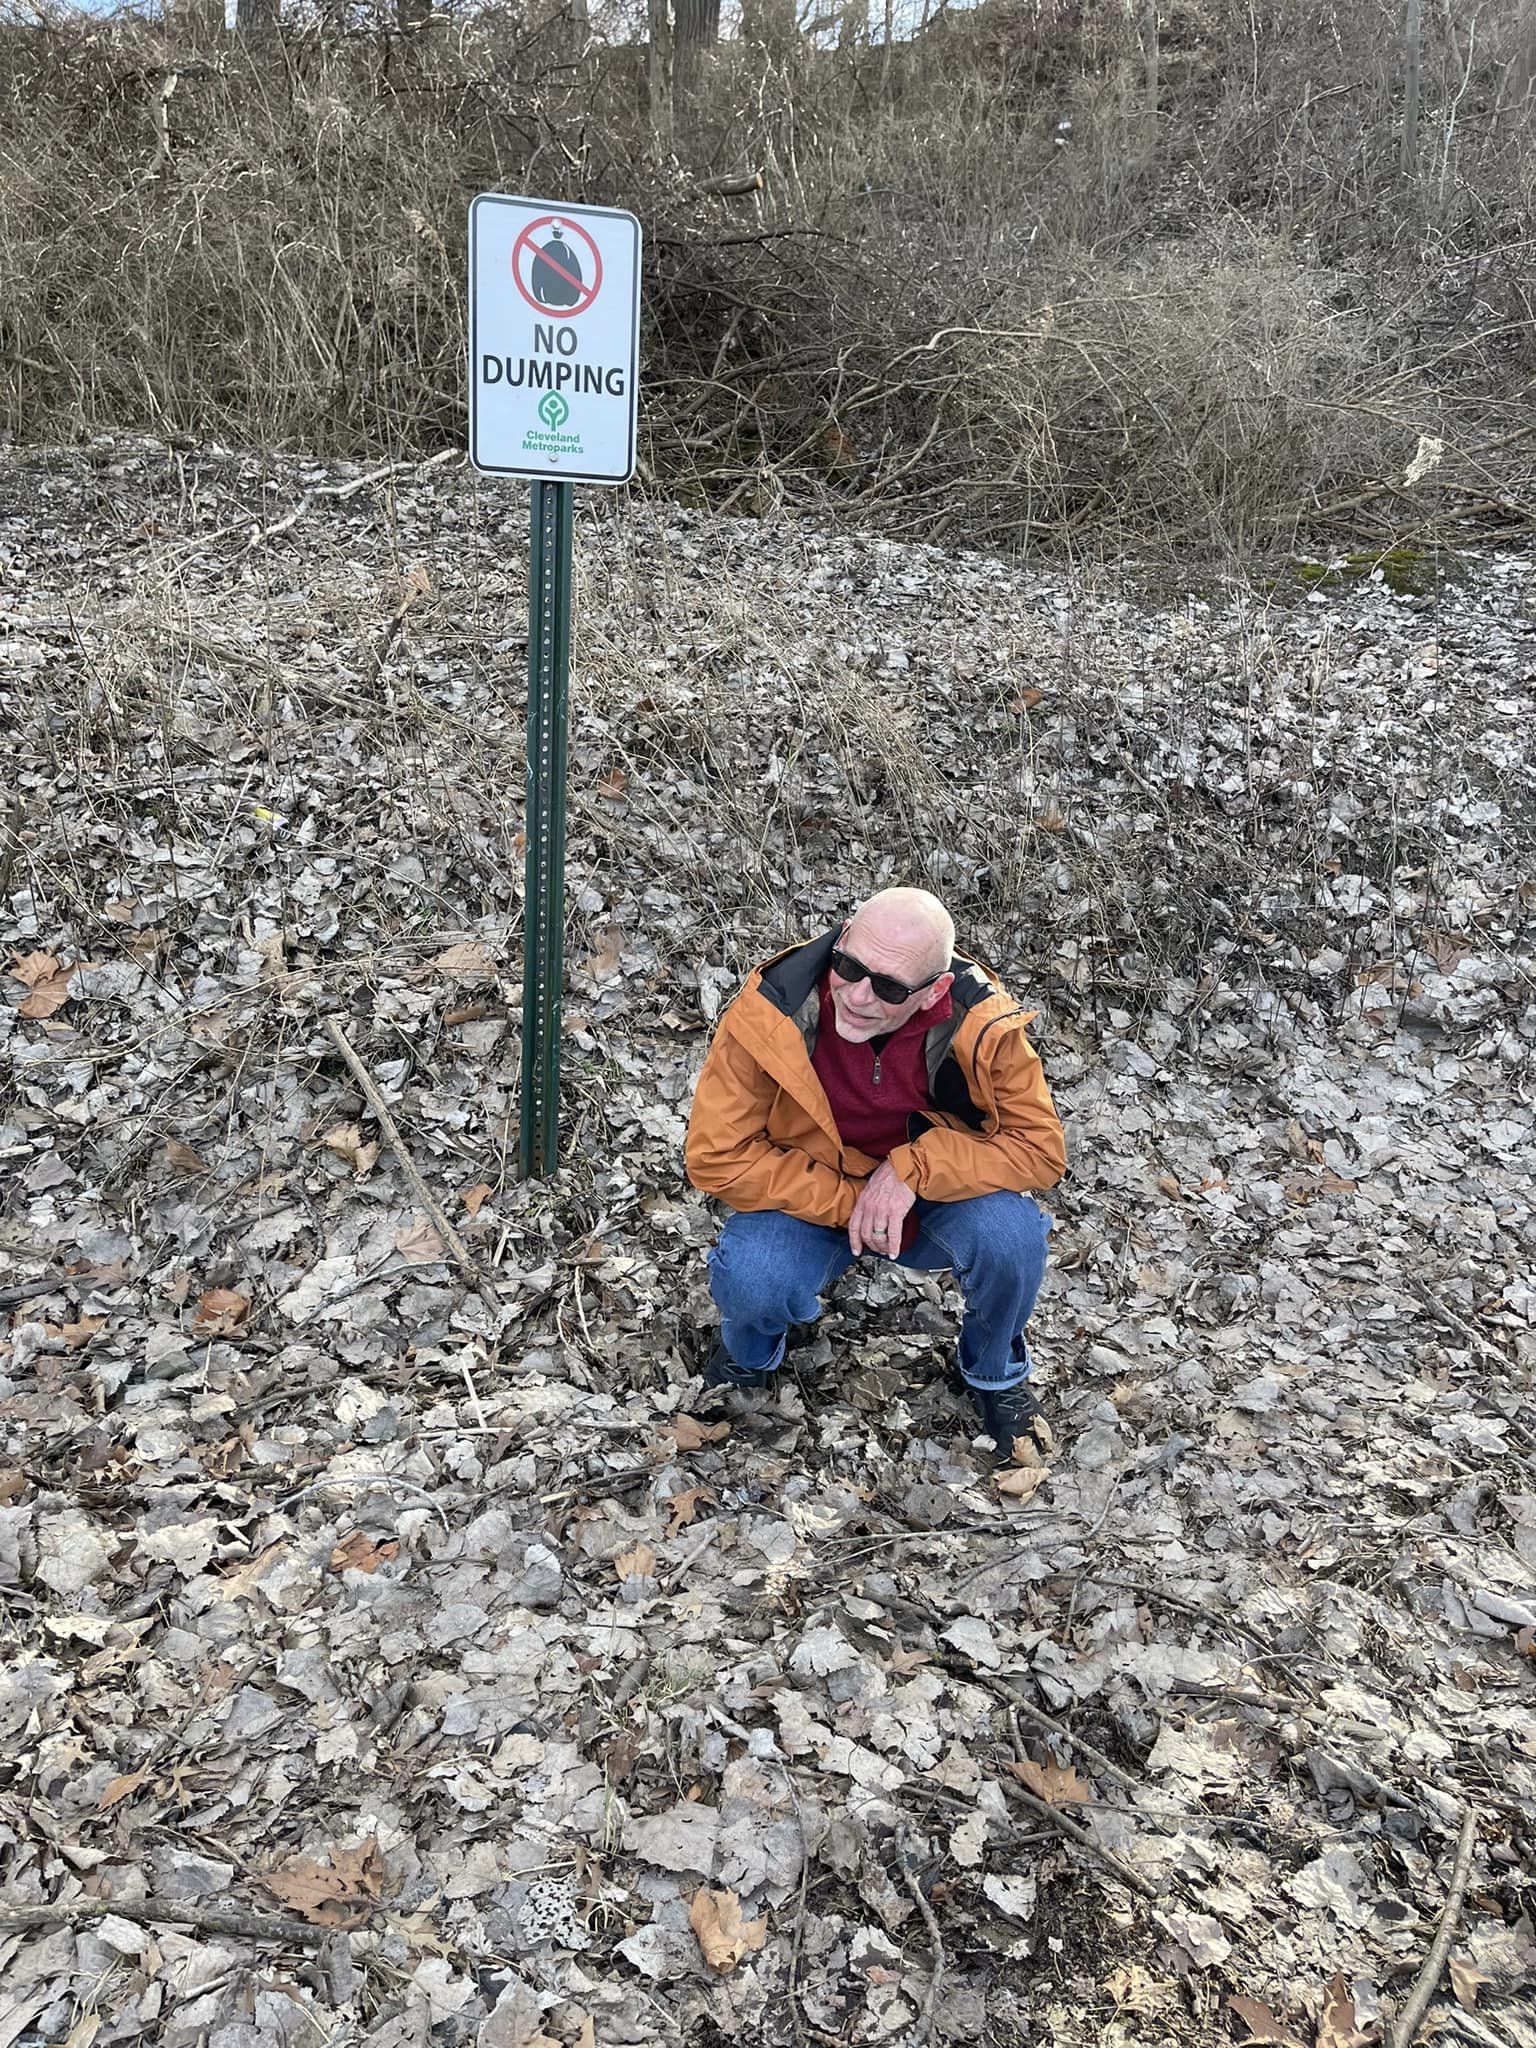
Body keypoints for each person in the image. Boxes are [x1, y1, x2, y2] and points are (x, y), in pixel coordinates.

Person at [684, 888, 1066, 1457]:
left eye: (888, 987)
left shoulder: (981, 1024)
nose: (858, 996)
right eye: (850, 967)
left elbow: (1039, 1150)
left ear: (934, 990)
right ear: (840, 941)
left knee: (1011, 1239)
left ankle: (994, 1372)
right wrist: (856, 1201)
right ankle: (748, 1355)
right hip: (811, 1188)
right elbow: (716, 1155)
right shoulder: (770, 1010)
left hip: (935, 1193)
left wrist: (913, 1170)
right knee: (754, 1277)